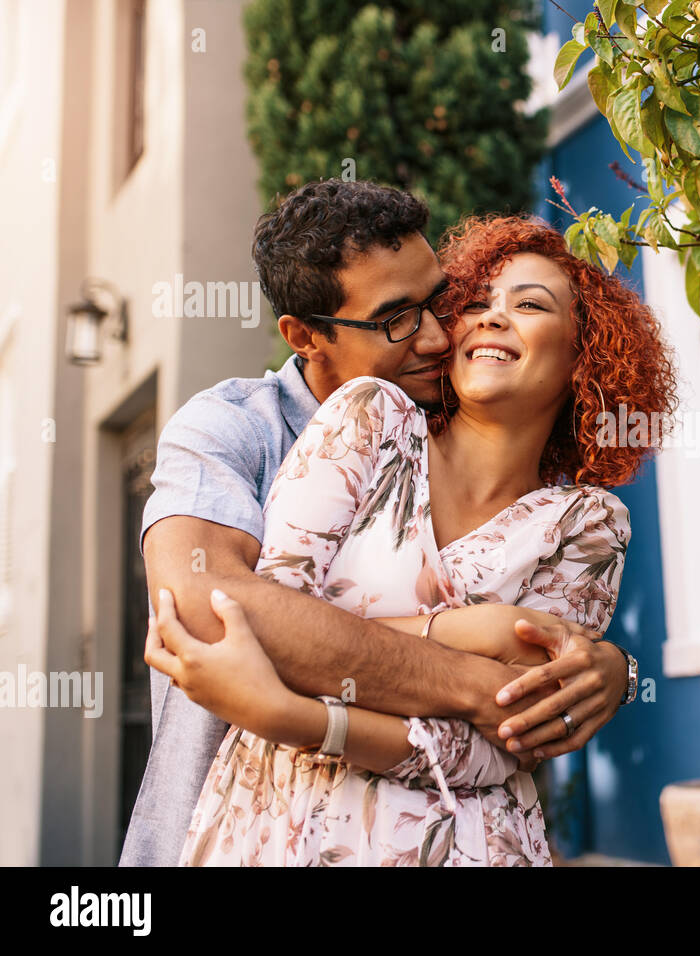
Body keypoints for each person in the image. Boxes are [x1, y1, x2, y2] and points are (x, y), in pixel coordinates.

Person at [120, 182, 643, 866]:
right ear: (305, 337)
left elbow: (521, 727)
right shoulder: (234, 428)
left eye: (440, 301)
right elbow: (210, 610)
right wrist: (475, 671)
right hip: (244, 827)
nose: (437, 334)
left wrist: (613, 670)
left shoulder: (548, 500)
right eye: (397, 318)